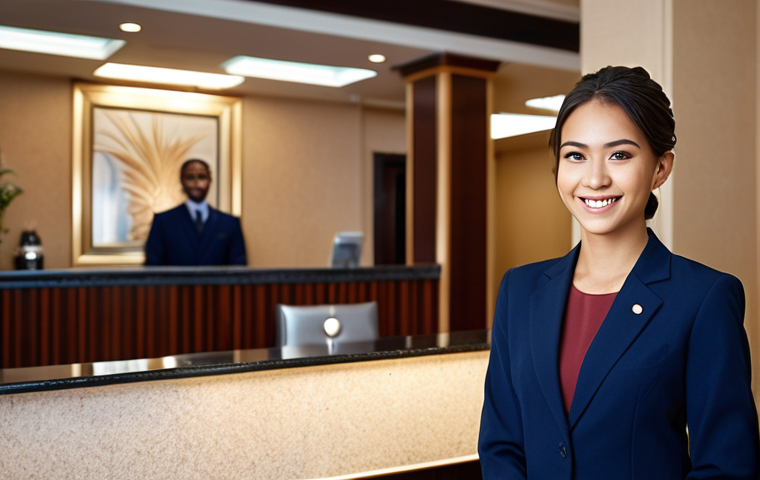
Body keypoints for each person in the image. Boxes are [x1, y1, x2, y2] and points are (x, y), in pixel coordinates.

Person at [478, 66, 759, 479]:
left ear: (661, 168)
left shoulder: (704, 298)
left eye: (620, 155)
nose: (595, 178)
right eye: (575, 155)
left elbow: (728, 467)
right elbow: (501, 443)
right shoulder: (519, 290)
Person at [144, 159, 247, 266]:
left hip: (217, 283)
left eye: (202, 177)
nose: (196, 182)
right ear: (182, 181)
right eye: (190, 177)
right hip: (176, 283)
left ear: (210, 180)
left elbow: (238, 268)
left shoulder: (229, 223)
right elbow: (153, 267)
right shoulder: (163, 221)